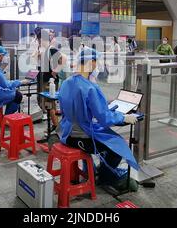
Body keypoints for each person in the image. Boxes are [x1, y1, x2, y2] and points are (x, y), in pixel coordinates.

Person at [57, 47, 139, 190]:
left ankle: (101, 170)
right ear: (92, 63)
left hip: (66, 134)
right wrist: (124, 117)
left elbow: (67, 110)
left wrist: (100, 106)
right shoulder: (90, 88)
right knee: (118, 146)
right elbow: (105, 119)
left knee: (107, 139)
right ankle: (105, 177)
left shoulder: (66, 83)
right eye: (96, 62)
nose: (97, 66)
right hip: (80, 138)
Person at [36, 28, 67, 133]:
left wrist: (56, 71)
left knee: (50, 105)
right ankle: (55, 126)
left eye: (39, 40)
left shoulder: (51, 49)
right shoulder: (45, 50)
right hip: (44, 80)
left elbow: (63, 59)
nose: (39, 42)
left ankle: (57, 127)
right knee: (47, 105)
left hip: (50, 82)